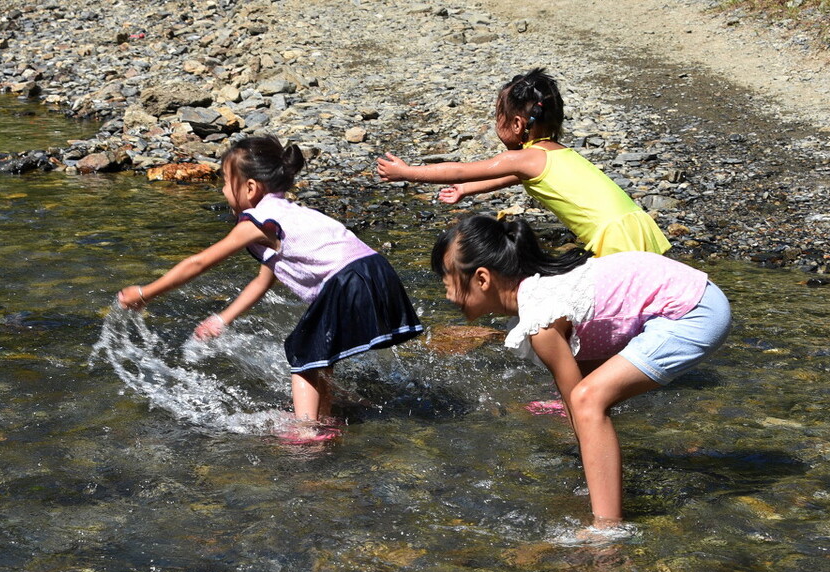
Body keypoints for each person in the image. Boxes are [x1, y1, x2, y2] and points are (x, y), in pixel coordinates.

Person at [430, 214, 730, 533]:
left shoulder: (541, 317)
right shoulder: (541, 291)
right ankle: (602, 491)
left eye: (447, 280)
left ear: (482, 279)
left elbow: (581, 402)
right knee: (585, 399)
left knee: (588, 400)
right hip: (689, 297)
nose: (447, 294)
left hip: (693, 311)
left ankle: (607, 530)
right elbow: (573, 398)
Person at [118, 135, 424, 439]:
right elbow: (263, 280)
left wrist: (145, 293)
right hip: (377, 271)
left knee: (301, 353)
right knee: (318, 351)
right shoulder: (289, 214)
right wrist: (222, 319)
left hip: (347, 277)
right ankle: (323, 417)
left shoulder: (257, 221)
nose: (222, 190)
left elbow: (199, 262)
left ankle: (307, 431)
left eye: (225, 182)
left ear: (250, 188)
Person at [378, 67, 671, 257]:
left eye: (498, 117)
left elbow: (459, 169)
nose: (496, 123)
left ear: (517, 124)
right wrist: (467, 189)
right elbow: (514, 177)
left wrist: (407, 172)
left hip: (614, 236)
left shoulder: (524, 158)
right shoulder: (555, 153)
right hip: (636, 224)